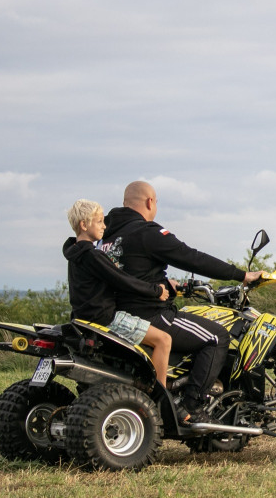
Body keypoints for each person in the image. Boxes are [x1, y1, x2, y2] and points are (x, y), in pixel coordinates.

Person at [99, 181, 264, 426]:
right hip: (150, 314)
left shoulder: (106, 236)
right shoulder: (146, 232)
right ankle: (192, 406)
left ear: (124, 203)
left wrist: (165, 282)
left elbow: (131, 272)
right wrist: (241, 275)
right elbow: (191, 258)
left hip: (116, 315)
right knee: (217, 337)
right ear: (149, 202)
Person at [63, 199, 172, 389]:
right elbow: (123, 280)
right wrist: (156, 291)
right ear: (84, 224)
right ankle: (160, 399)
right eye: (99, 221)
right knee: (164, 340)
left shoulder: (75, 254)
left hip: (83, 319)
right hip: (105, 319)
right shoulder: (93, 255)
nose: (104, 226)